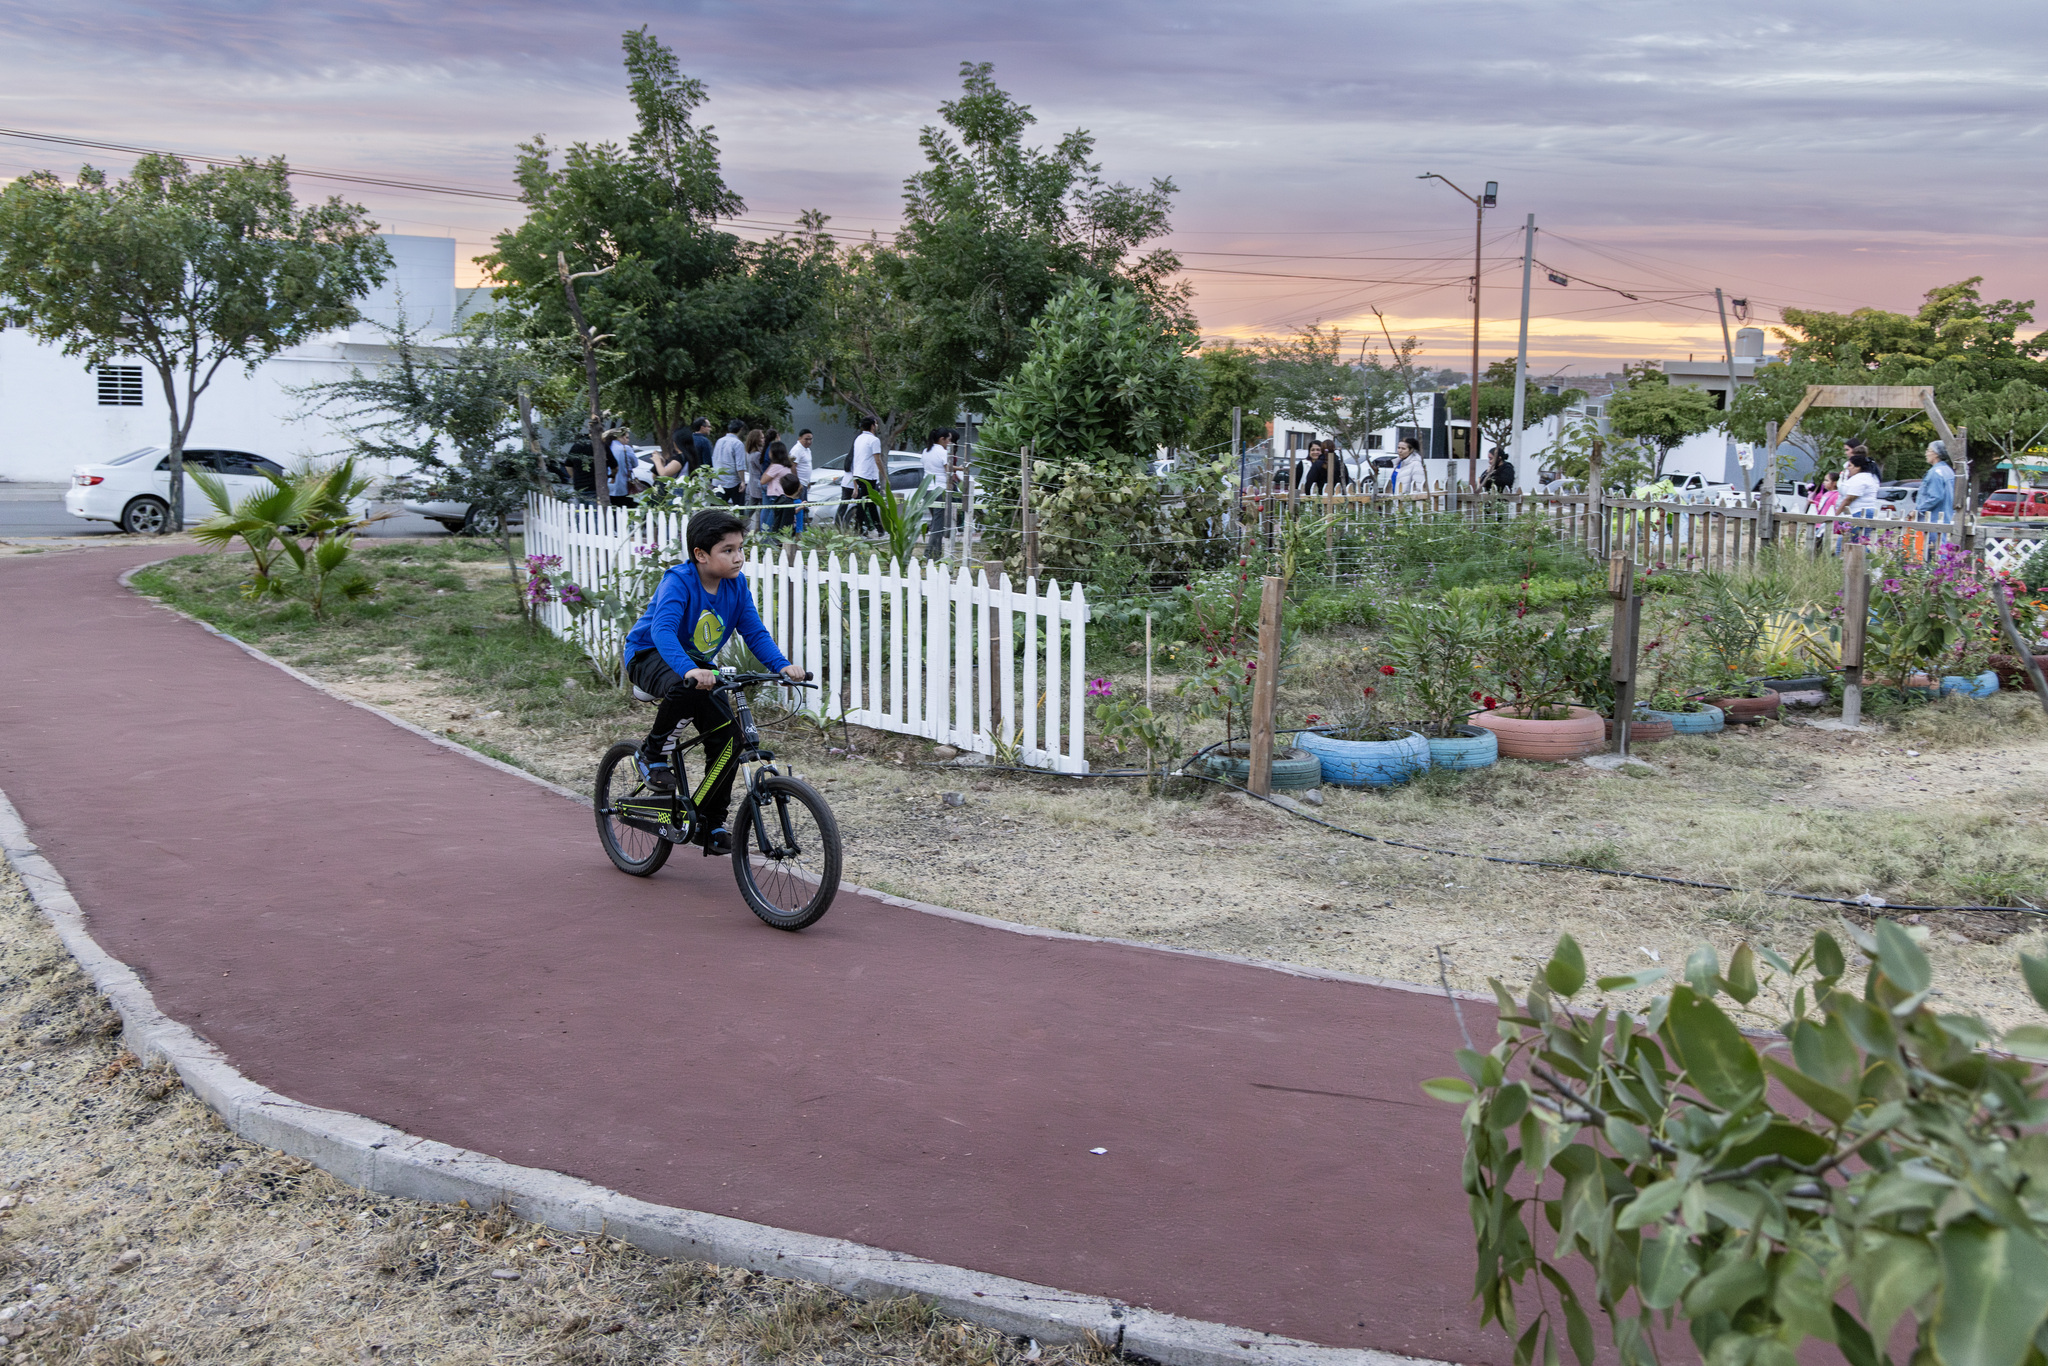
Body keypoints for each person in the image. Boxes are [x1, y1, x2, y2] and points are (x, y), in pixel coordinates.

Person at [621, 509, 807, 852]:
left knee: (730, 740)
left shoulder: (736, 585)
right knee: (685, 686)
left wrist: (782, 666)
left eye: (740, 548)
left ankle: (709, 823)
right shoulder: (679, 580)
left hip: (697, 665)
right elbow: (662, 631)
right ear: (701, 554)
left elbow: (753, 631)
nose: (739, 557)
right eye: (728, 550)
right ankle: (652, 753)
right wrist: (689, 670)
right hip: (649, 655)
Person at [921, 428, 957, 558]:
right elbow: (948, 471)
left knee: (935, 522)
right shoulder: (942, 452)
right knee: (938, 525)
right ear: (942, 439)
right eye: (949, 439)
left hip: (927, 490)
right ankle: (931, 553)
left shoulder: (926, 451)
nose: (950, 443)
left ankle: (935, 551)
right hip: (940, 489)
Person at [850, 416, 884, 535]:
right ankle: (858, 529)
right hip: (869, 476)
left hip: (859, 474)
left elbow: (856, 459)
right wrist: (884, 476)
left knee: (869, 502)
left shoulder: (858, 439)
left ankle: (878, 529)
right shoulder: (874, 440)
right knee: (865, 503)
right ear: (872, 425)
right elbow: (878, 460)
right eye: (876, 423)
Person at [1841, 445, 1883, 541]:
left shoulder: (1861, 478)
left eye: (1850, 466)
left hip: (1858, 511)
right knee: (1861, 540)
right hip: (1866, 509)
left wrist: (1837, 512)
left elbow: (1849, 498)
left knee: (1851, 540)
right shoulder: (1871, 474)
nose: (1848, 468)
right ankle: (1866, 555)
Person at [760, 441, 796, 535]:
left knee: (769, 524)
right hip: (782, 496)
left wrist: (771, 465)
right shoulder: (786, 465)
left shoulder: (776, 466)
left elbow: (763, 480)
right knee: (776, 522)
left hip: (774, 496)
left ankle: (766, 543)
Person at [1917, 440, 1956, 523]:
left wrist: (1918, 510)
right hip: (1945, 518)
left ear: (1936, 454)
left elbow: (1935, 497)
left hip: (1933, 519)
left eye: (1928, 450)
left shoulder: (1935, 473)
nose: (1926, 454)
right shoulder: (1948, 470)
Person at [711, 420, 746, 504]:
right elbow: (740, 465)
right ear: (741, 429)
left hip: (718, 479)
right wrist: (743, 481)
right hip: (733, 481)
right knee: (738, 509)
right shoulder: (738, 443)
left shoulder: (719, 441)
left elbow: (714, 458)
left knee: (717, 509)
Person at [1805, 470, 1842, 550]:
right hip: (1819, 522)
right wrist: (1814, 503)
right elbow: (1822, 506)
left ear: (1834, 483)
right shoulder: (1826, 494)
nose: (1824, 482)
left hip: (1826, 524)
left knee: (1822, 544)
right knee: (1816, 544)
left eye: (1827, 480)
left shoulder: (1837, 495)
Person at [789, 429, 815, 533]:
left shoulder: (807, 450)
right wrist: (797, 482)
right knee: (799, 508)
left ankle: (802, 529)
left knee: (804, 507)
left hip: (804, 483)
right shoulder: (797, 449)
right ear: (799, 438)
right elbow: (792, 466)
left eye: (810, 439)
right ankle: (798, 530)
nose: (809, 441)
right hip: (799, 485)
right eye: (806, 439)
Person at [605, 428, 636, 507]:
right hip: (622, 486)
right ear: (619, 437)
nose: (628, 440)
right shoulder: (625, 449)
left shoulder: (606, 447)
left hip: (607, 485)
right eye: (627, 437)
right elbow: (635, 464)